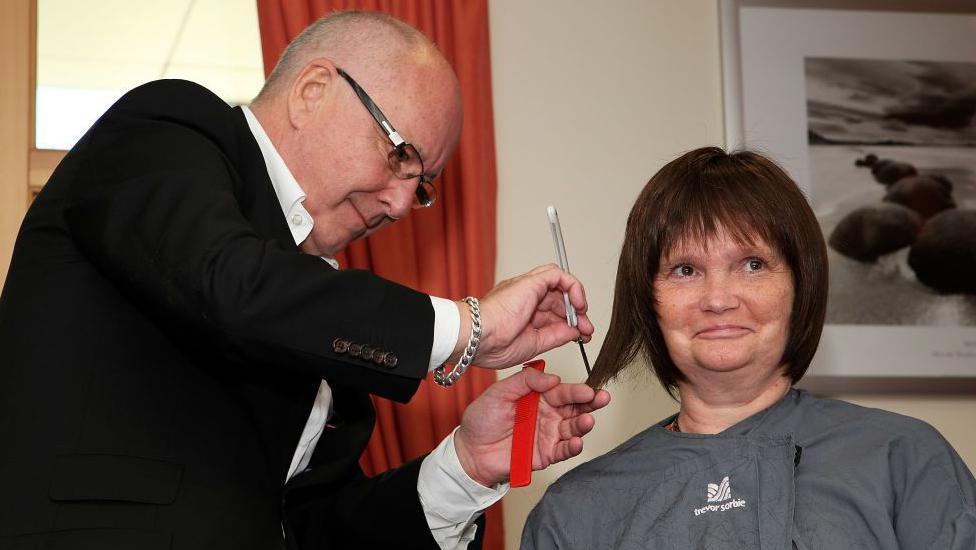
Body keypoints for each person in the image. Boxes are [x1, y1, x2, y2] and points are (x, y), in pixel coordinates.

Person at [0, 11, 610, 550]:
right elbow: (233, 285)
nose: (400, 205)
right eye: (401, 156)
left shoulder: (322, 312)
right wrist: (469, 327)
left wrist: (467, 465)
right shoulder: (166, 128)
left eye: (420, 185)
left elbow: (312, 528)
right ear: (312, 91)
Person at [521, 147, 976, 549]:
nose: (718, 299)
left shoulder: (907, 459)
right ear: (647, 299)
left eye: (752, 264)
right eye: (685, 270)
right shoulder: (574, 513)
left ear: (801, 285)